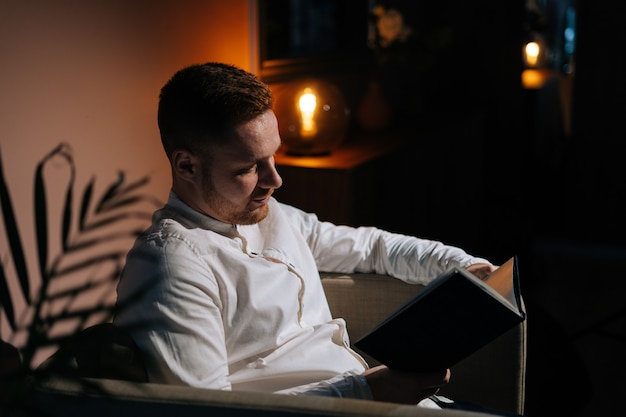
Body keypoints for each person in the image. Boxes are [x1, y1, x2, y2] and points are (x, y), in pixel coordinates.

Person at [113, 62, 506, 410]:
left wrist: (463, 266)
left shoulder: (270, 215)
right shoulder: (171, 265)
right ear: (186, 166)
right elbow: (210, 410)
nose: (275, 180)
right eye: (249, 167)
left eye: (273, 156)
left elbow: (371, 247)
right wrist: (368, 393)